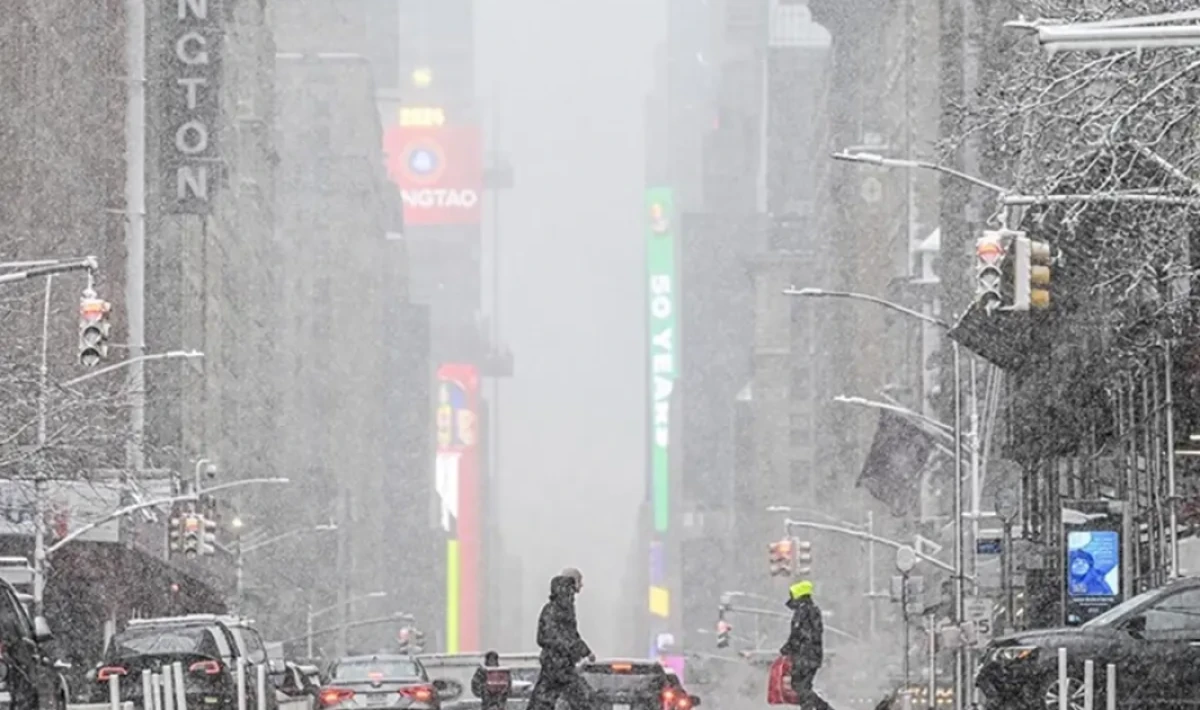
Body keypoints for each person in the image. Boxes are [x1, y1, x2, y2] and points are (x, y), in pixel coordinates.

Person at [527, 572, 595, 710]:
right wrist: (572, 649)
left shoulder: (563, 609)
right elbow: (551, 636)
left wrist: (585, 651)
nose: (580, 588)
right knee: (582, 699)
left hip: (558, 664)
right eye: (578, 583)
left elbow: (571, 635)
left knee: (543, 701)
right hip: (557, 665)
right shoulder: (555, 610)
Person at [779, 580, 833, 710]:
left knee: (800, 686)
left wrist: (787, 648)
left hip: (805, 656)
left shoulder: (803, 612)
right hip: (811, 656)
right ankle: (818, 708)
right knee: (803, 686)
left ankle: (822, 708)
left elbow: (798, 634)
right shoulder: (811, 610)